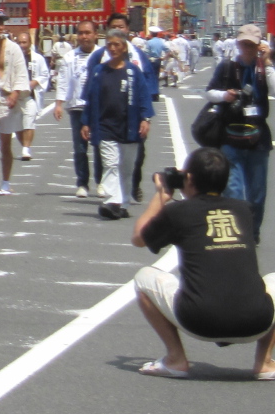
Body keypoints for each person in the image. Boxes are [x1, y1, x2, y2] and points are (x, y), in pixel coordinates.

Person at [130, 148, 275, 379]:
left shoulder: (178, 212)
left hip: (198, 320)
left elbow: (138, 238)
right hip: (257, 321)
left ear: (188, 178)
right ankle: (264, 362)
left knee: (143, 278)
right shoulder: (244, 210)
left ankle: (176, 358)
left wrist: (161, 196)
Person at [205, 24, 275, 240]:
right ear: (237, 43)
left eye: (252, 45)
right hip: (230, 134)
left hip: (257, 137)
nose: (247, 49)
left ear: (259, 46)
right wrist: (224, 96)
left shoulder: (264, 69)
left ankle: (252, 231)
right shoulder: (227, 67)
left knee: (257, 193)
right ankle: (239, 233)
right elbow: (209, 93)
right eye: (244, 44)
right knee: (233, 191)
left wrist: (269, 62)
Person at [81, 28, 154, 221]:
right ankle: (112, 201)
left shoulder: (133, 71)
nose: (113, 48)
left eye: (117, 45)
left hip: (129, 126)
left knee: (127, 168)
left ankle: (123, 203)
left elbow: (144, 97)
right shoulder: (99, 71)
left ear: (124, 47)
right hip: (105, 126)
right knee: (111, 163)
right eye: (109, 45)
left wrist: (145, 118)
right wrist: (86, 122)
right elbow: (89, 98)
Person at [52, 21, 101, 198]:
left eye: (88, 33)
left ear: (96, 34)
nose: (84, 37)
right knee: (80, 148)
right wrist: (59, 103)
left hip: (99, 108)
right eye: (81, 33)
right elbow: (63, 80)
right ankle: (82, 183)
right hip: (77, 107)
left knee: (100, 146)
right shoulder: (69, 57)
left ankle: (101, 182)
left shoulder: (104, 55)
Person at [0, 14, 29, 197]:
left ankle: (6, 181)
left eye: (1, 25)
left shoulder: (14, 49)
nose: (0, 28)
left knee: (5, 144)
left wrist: (16, 93)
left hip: (8, 98)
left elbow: (21, 72)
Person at [13, 30, 48, 163]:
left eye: (24, 42)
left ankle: (26, 149)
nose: (22, 45)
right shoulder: (12, 58)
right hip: (15, 96)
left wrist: (34, 82)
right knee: (17, 126)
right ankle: (25, 145)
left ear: (30, 43)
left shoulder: (37, 58)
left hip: (30, 96)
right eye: (19, 42)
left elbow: (45, 74)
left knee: (29, 122)